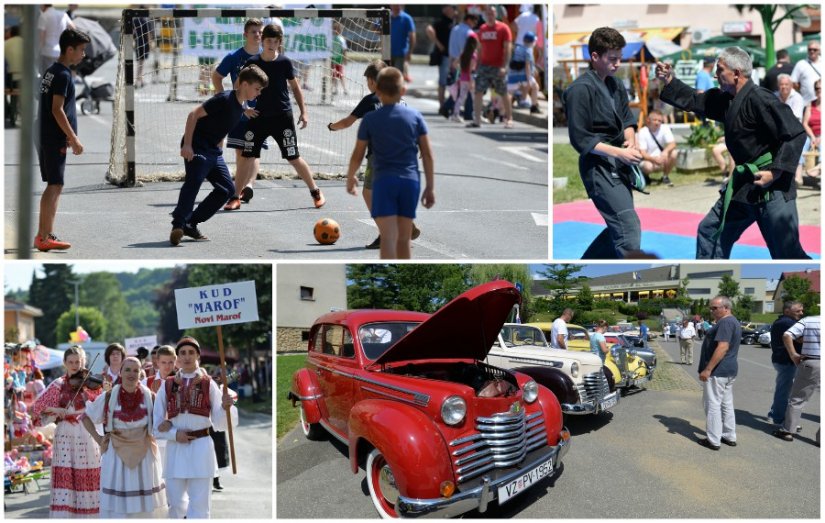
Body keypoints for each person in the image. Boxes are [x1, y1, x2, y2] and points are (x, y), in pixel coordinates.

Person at [657, 47, 809, 259]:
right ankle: (711, 284)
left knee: (787, 252)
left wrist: (774, 173)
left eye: (720, 70)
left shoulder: (761, 99)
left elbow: (795, 134)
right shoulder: (727, 99)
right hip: (743, 185)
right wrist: (670, 80)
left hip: (771, 186)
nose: (715, 75)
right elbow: (696, 99)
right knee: (710, 232)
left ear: (736, 73)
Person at [564, 27, 643, 259]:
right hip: (598, 167)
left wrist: (631, 142)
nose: (617, 63)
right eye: (612, 58)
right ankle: (627, 275)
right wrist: (619, 153)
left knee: (619, 226)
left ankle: (585, 267)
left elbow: (628, 119)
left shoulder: (616, 85)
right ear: (595, 57)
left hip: (619, 164)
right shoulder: (579, 89)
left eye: (620, 58)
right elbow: (581, 139)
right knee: (628, 228)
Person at [169, 64, 268, 245]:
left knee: (227, 189)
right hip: (197, 145)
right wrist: (188, 145)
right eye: (257, 89)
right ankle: (178, 224)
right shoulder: (223, 99)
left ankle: (191, 223)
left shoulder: (241, 105)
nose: (259, 93)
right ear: (244, 85)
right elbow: (193, 115)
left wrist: (218, 149)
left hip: (213, 150)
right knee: (195, 180)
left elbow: (223, 123)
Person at [328, 60, 421, 250]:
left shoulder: (371, 100)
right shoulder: (400, 100)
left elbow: (347, 122)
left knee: (369, 193)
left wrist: (331, 126)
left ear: (372, 80)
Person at [345, 67, 435, 259]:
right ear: (403, 92)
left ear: (377, 92)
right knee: (403, 240)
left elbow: (358, 154)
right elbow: (427, 154)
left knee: (388, 238)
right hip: (410, 182)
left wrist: (351, 176)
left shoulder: (370, 119)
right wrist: (430, 188)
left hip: (384, 181)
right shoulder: (415, 116)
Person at [242, 24, 326, 211]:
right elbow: (240, 86)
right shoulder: (252, 63)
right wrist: (245, 108)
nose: (271, 44)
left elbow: (295, 88)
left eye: (275, 41)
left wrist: (304, 112)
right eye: (268, 41)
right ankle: (235, 196)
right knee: (247, 156)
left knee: (293, 157)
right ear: (262, 41)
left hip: (282, 117)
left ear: (280, 43)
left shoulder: (285, 63)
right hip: (259, 117)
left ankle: (315, 191)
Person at [152, 337, 236, 518]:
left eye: (191, 352)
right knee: (175, 504)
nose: (187, 357)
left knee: (200, 505)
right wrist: (175, 434)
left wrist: (225, 407)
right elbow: (156, 426)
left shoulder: (208, 383)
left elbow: (220, 423)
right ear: (177, 358)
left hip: (201, 449)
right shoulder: (167, 385)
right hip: (175, 451)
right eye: (182, 353)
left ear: (198, 355)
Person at [82, 357, 167, 518]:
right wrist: (99, 439)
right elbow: (86, 417)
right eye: (127, 369)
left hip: (144, 456)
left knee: (144, 509)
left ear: (140, 373)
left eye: (136, 370)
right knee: (117, 509)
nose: (131, 373)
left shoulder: (150, 396)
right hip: (116, 456)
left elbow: (160, 423)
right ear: (120, 372)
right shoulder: (109, 396)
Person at [35, 28, 90, 252]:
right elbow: (57, 110)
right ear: (69, 50)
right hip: (52, 136)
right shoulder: (64, 75)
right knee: (55, 185)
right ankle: (44, 236)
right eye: (81, 50)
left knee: (53, 185)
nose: (83, 55)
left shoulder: (51, 70)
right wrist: (73, 138)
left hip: (45, 132)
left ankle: (43, 234)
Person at [32, 345, 102, 517]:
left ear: (83, 361)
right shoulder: (58, 384)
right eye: (70, 362)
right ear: (64, 363)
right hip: (65, 433)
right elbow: (37, 408)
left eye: (77, 361)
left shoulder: (90, 384)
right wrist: (57, 411)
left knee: (87, 473)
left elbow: (101, 408)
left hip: (86, 430)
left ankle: (89, 515)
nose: (74, 365)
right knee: (67, 473)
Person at [211, 18, 264, 212]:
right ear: (245, 35)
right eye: (253, 32)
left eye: (260, 31)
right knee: (241, 151)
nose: (257, 35)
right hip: (238, 112)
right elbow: (217, 76)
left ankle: (247, 186)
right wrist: (222, 98)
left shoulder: (266, 56)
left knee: (254, 150)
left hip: (260, 112)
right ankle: (243, 185)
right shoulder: (234, 56)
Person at [696, 296, 741, 450]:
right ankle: (729, 435)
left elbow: (722, 347)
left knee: (713, 405)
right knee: (726, 404)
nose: (712, 311)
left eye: (715, 308)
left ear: (726, 308)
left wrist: (708, 369)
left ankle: (713, 440)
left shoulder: (726, 322)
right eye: (711, 308)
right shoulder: (732, 321)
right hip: (728, 370)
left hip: (718, 371)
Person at [774, 315, 820, 444]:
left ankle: (788, 431)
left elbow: (787, 335)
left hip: (813, 362)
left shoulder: (809, 320)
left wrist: (793, 354)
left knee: (798, 398)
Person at [469, 5, 513, 128]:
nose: (490, 15)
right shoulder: (482, 29)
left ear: (496, 14)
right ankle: (477, 119)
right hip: (484, 66)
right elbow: (480, 49)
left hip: (498, 66)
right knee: (478, 91)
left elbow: (508, 48)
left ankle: (509, 118)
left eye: (492, 13)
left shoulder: (503, 28)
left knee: (503, 92)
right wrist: (476, 67)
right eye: (488, 13)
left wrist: (505, 66)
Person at [768, 301, 805, 427]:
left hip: (784, 360)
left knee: (784, 390)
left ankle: (775, 414)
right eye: (798, 311)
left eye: (802, 311)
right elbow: (802, 338)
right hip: (786, 361)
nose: (801, 313)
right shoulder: (787, 323)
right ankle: (779, 419)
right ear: (787, 311)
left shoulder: (785, 321)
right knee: (784, 392)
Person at [448, 12, 479, 121]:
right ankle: (474, 115)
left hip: (461, 74)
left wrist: (460, 70)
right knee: (473, 97)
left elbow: (454, 61)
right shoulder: (469, 34)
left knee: (461, 96)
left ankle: (455, 113)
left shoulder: (455, 29)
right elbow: (471, 68)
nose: (475, 24)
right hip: (469, 77)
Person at [637, 109, 677, 186]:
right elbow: (643, 153)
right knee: (648, 167)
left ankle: (665, 177)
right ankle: (645, 176)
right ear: (648, 120)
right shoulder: (643, 131)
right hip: (648, 160)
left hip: (661, 157)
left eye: (659, 120)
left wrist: (665, 152)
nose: (657, 122)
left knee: (674, 153)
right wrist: (654, 159)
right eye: (655, 120)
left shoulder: (664, 128)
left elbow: (673, 144)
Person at [425, 4, 455, 108]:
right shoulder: (441, 21)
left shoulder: (454, 21)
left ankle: (451, 104)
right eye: (450, 7)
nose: (452, 9)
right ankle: (442, 105)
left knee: (454, 81)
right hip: (444, 55)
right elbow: (429, 30)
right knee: (443, 81)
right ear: (445, 9)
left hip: (454, 56)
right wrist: (438, 44)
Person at [507, 31, 541, 114]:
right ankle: (533, 106)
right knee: (535, 87)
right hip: (522, 75)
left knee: (509, 92)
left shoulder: (518, 48)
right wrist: (529, 78)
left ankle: (501, 110)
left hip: (512, 75)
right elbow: (527, 65)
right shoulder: (528, 50)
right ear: (533, 41)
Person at [38, 4, 74, 76]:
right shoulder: (63, 14)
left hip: (47, 51)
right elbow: (73, 28)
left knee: (48, 77)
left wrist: (38, 51)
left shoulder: (44, 16)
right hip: (61, 51)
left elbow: (42, 37)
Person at [799, 78, 821, 182]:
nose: (819, 90)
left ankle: (819, 168)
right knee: (800, 144)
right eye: (817, 88)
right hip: (811, 135)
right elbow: (805, 123)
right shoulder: (810, 105)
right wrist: (812, 137)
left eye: (821, 88)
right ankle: (798, 175)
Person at [389, 5, 415, 81]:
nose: (397, 7)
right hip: (387, 52)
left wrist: (410, 52)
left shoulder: (407, 18)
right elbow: (375, 28)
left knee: (397, 77)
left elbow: (412, 36)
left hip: (401, 53)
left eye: (398, 5)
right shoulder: (386, 16)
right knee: (387, 77)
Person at [791, 40, 821, 104]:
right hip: (806, 103)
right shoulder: (801, 64)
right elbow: (793, 82)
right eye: (810, 49)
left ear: (819, 50)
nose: (812, 51)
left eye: (814, 49)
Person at [330, 21, 348, 97]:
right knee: (333, 75)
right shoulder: (331, 38)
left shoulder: (341, 39)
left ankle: (344, 89)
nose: (335, 30)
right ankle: (334, 89)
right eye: (334, 29)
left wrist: (345, 59)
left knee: (340, 75)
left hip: (338, 59)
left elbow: (344, 50)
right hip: (333, 58)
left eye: (336, 29)